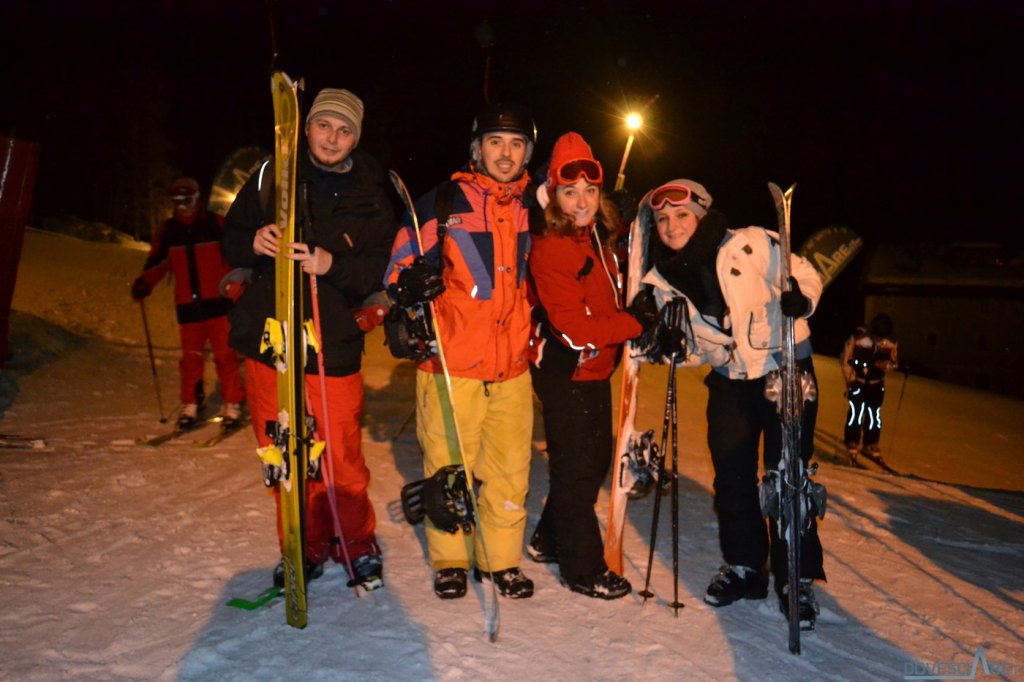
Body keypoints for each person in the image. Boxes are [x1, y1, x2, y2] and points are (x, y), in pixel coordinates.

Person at [222, 87, 398, 591]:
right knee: (283, 450)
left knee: (339, 452)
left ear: (355, 138)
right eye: (324, 125)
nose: (333, 138)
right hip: (268, 337)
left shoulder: (370, 190)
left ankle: (355, 542)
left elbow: (376, 267)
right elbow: (230, 236)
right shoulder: (269, 175)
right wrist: (252, 243)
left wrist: (331, 265)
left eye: (344, 131)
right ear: (307, 127)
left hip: (332, 338)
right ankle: (303, 542)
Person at [639, 179, 826, 629]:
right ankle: (746, 567)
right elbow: (688, 346)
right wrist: (668, 345)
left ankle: (793, 577)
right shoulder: (662, 278)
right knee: (732, 475)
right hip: (730, 378)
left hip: (784, 367)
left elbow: (806, 272)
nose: (672, 225)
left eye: (682, 215)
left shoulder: (752, 243)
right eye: (663, 219)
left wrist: (803, 299)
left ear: (701, 214)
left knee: (788, 479)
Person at [384, 102, 538, 600]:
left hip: (512, 367)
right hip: (452, 365)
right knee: (448, 469)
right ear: (477, 149)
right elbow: (399, 264)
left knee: (510, 470)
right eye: (496, 142)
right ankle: (450, 559)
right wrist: (410, 281)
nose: (506, 153)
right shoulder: (443, 203)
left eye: (516, 144)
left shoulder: (532, 208)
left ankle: (500, 561)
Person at [525, 132, 655, 599]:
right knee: (578, 471)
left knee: (593, 459)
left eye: (590, 192)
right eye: (569, 191)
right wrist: (634, 326)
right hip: (568, 369)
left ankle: (547, 537)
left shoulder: (595, 235)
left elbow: (616, 270)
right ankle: (582, 567)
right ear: (553, 195)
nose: (581, 201)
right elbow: (575, 328)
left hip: (596, 368)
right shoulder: (553, 246)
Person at [131, 177, 244, 429]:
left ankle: (233, 403)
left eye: (188, 200)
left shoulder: (216, 225)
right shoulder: (170, 231)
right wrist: (144, 283)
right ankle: (191, 404)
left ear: (197, 199)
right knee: (191, 358)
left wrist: (239, 286)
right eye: (178, 201)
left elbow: (235, 256)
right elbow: (158, 262)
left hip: (218, 304)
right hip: (188, 306)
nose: (184, 206)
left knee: (225, 356)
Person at [840, 313, 898, 461]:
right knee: (856, 413)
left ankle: (871, 443)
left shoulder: (890, 343)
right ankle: (852, 440)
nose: (879, 339)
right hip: (858, 382)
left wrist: (886, 365)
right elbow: (845, 359)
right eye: (877, 335)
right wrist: (850, 379)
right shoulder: (859, 339)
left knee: (874, 415)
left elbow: (893, 362)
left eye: (882, 336)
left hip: (876, 384)